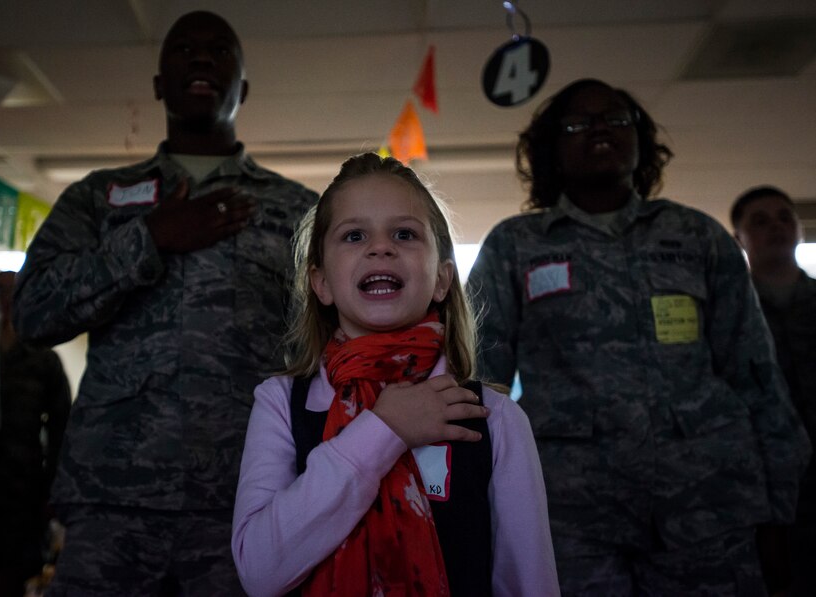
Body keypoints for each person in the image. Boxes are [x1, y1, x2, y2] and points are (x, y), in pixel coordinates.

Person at [12, 11, 317, 596]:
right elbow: (31, 312)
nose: (200, 59)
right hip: (113, 500)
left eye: (219, 50)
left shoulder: (296, 209)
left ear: (243, 87)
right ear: (157, 84)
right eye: (183, 49)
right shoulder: (98, 198)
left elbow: (330, 343)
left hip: (246, 497)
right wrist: (149, 239)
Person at [466, 78, 811, 595]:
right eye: (578, 124)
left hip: (706, 504)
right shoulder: (514, 246)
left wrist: (782, 509)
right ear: (552, 150)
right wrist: (478, 501)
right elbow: (481, 384)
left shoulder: (696, 236)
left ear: (640, 139)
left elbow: (754, 373)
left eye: (616, 119)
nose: (600, 129)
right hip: (573, 515)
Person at [232, 152, 559, 597]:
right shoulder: (278, 404)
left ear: (442, 280)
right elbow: (260, 570)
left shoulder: (497, 419)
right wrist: (385, 428)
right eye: (354, 235)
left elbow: (529, 586)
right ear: (321, 282)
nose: (380, 247)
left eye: (404, 234)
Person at [732, 185, 816, 596]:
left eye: (785, 217)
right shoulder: (726, 316)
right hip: (762, 489)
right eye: (759, 221)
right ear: (740, 238)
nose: (776, 227)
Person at [0, 271, 71, 597]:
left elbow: (62, 431)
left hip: (22, 494)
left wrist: (54, 494)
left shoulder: (44, 360)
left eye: (11, 293)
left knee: (12, 577)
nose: (4, 301)